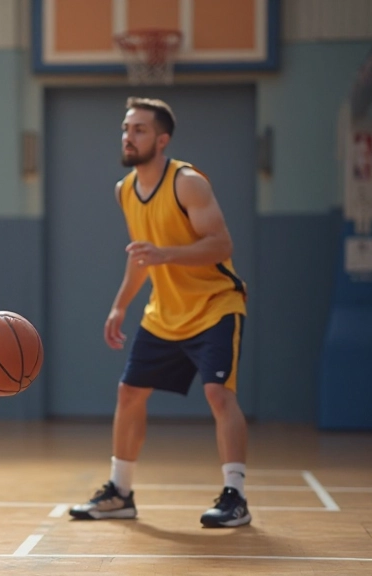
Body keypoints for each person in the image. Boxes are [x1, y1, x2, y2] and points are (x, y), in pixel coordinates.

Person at [69, 98, 251, 528]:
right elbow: (141, 255)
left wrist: (164, 254)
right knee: (129, 393)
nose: (128, 136)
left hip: (214, 304)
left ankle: (235, 496)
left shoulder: (187, 183)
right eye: (126, 128)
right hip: (163, 311)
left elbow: (222, 245)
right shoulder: (125, 189)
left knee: (218, 394)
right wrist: (120, 305)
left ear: (162, 139)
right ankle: (121, 492)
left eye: (139, 130)